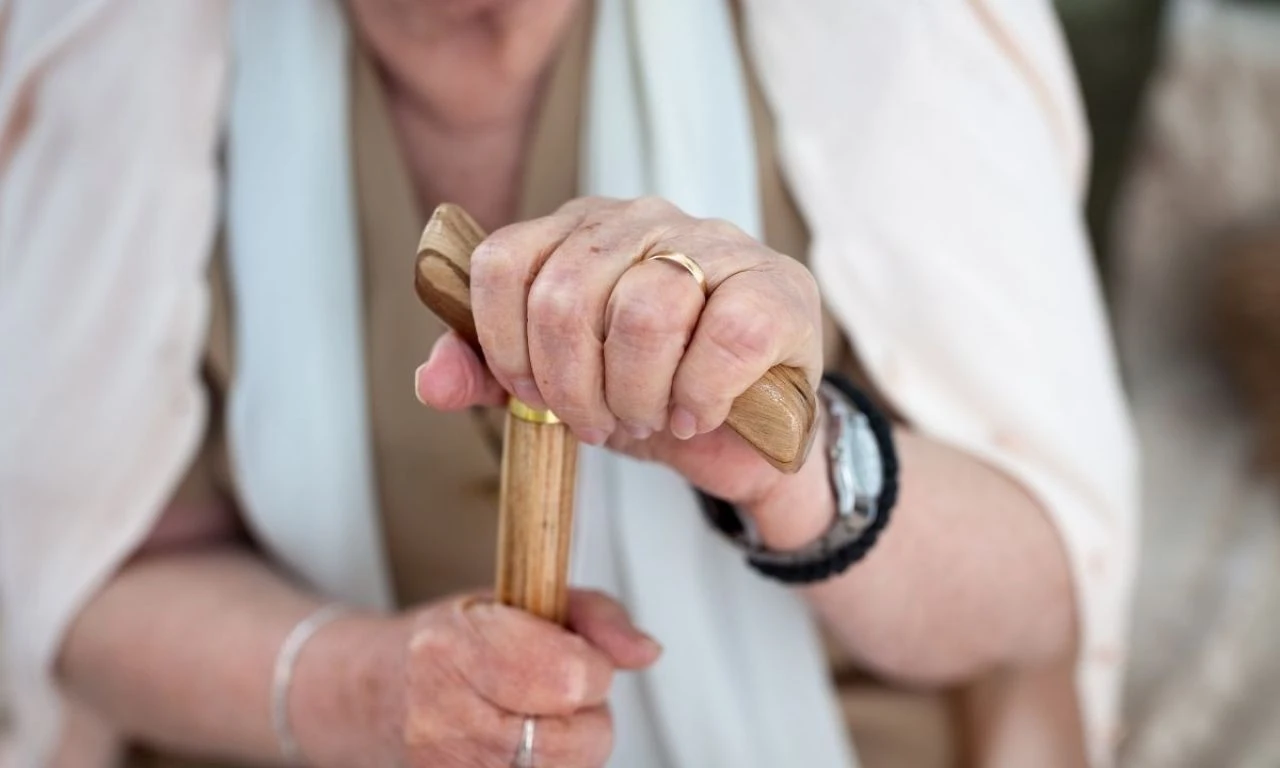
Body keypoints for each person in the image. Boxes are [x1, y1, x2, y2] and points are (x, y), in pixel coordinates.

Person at [0, 1, 1137, 766]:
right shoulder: (125, 44)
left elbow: (1048, 574)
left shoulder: (878, 31)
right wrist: (369, 689)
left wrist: (795, 463)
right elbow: (78, 572)